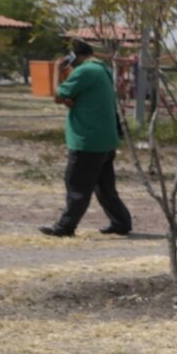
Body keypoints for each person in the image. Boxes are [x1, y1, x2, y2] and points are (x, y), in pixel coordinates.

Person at [40, 39, 132, 237]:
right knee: (104, 188)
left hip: (87, 140)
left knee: (77, 186)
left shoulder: (85, 71)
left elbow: (57, 94)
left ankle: (65, 227)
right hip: (105, 140)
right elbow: (78, 98)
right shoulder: (104, 69)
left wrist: (58, 69)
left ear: (73, 55)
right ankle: (121, 222)